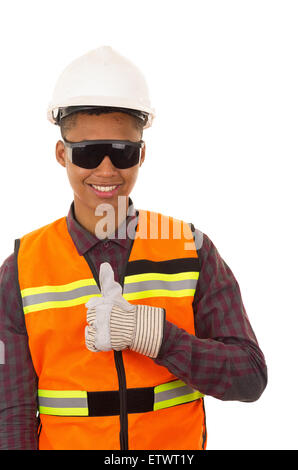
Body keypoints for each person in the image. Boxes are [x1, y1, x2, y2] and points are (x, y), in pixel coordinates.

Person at [0, 46, 267, 450]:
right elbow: (13, 412)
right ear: (62, 154)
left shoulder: (192, 250)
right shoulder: (21, 267)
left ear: (141, 154)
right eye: (89, 152)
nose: (106, 171)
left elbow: (249, 377)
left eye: (122, 152)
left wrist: (154, 335)